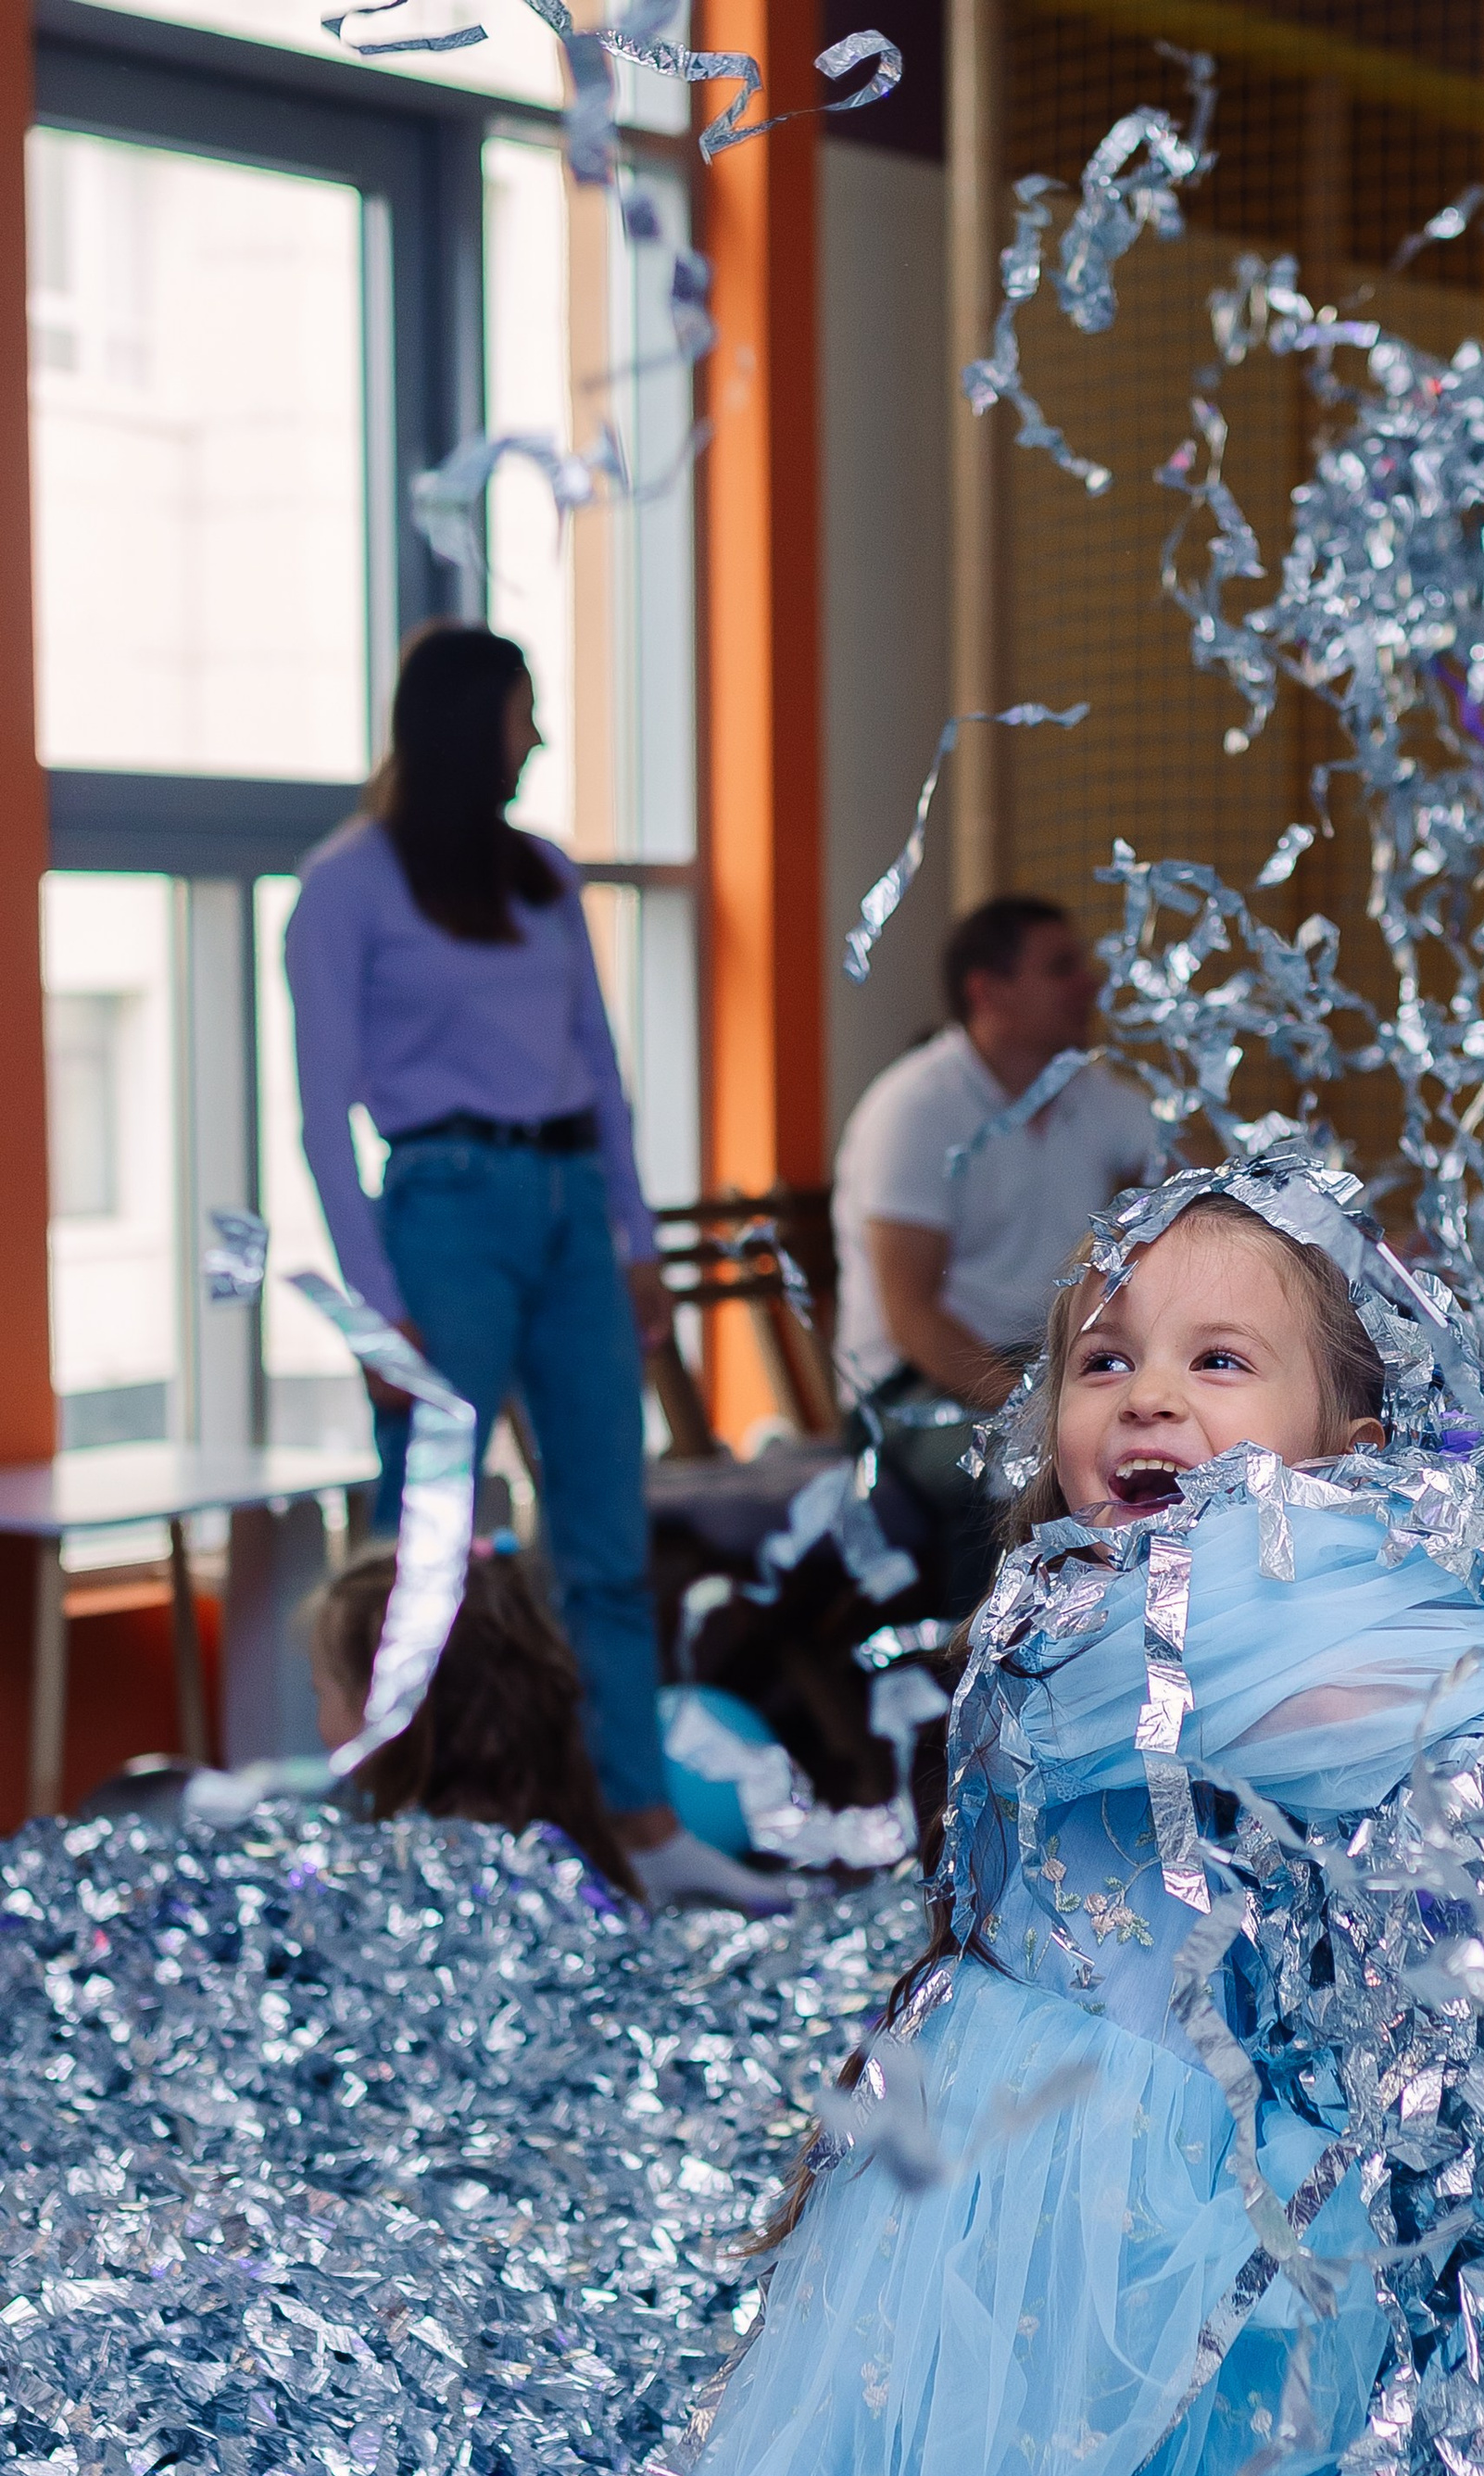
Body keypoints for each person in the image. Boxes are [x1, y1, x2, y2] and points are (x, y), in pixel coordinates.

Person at [581, 1183, 1484, 2476]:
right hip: (1046, 2161)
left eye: (1218, 1360)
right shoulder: (1100, 1617)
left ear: (1345, 1439)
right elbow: (1381, 1699)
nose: (1149, 1396)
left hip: (1214, 2150)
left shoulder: (1273, 1577)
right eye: (1106, 1360)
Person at [283, 619, 789, 1914]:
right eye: (522, 714)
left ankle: (640, 1823)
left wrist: (635, 1244)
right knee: (431, 1547)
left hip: (571, 1206)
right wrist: (369, 1310)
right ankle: (428, 1828)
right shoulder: (346, 886)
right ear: (467, 725)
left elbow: (604, 1081)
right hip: (443, 1211)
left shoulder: (545, 877)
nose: (539, 738)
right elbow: (318, 1116)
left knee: (606, 1545)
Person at [830, 895, 1165, 1606]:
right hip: (911, 1392)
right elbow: (911, 1317)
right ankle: (970, 1698)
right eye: (1061, 967)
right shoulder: (916, 1108)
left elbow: (1199, 1195)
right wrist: (1032, 1409)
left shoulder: (1091, 1092)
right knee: (1011, 1474)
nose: (1091, 984)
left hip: (1044, 1374)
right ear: (989, 991)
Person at [307, 1536, 641, 1904]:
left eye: (320, 1693)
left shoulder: (404, 1894)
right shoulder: (585, 1869)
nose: (321, 1728)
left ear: (389, 1712)